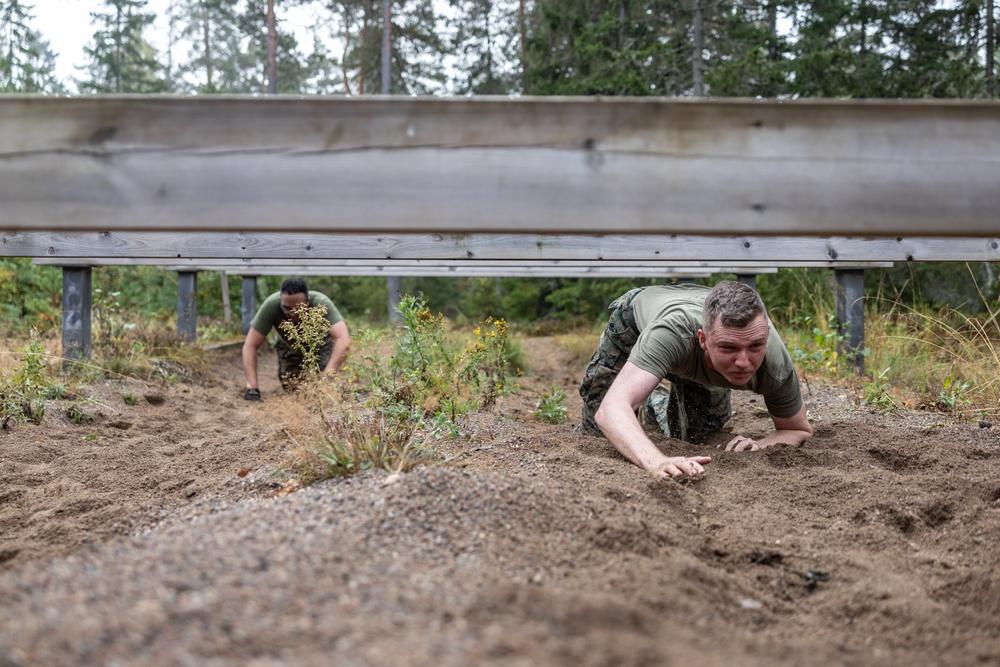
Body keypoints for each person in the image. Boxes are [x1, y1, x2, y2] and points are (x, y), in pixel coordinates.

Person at [578, 281, 812, 479]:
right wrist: (656, 461)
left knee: (697, 435)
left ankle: (652, 399)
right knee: (599, 436)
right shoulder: (670, 334)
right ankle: (640, 385)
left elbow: (797, 429)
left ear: (766, 336)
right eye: (729, 348)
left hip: (692, 343)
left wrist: (761, 445)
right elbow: (610, 410)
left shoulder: (775, 365)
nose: (743, 362)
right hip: (636, 323)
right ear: (703, 340)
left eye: (755, 346)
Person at [242, 277, 351, 400]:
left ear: (308, 301)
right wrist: (252, 388)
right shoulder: (271, 305)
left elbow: (343, 339)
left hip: (320, 348)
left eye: (298, 308)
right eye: (287, 308)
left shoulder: (321, 303)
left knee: (323, 393)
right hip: (289, 348)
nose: (292, 313)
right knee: (294, 391)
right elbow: (250, 345)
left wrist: (328, 375)